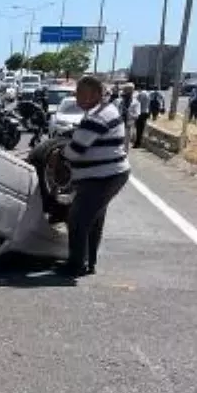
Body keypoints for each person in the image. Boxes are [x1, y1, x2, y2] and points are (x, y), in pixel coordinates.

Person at [56, 75, 131, 277]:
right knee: (94, 220)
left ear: (97, 94)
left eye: (82, 93)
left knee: (78, 219)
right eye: (77, 93)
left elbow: (75, 150)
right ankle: (89, 262)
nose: (78, 98)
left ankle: (76, 265)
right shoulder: (106, 110)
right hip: (108, 175)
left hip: (103, 177)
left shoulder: (96, 118)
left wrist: (62, 154)